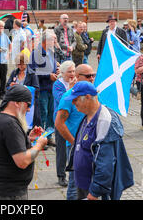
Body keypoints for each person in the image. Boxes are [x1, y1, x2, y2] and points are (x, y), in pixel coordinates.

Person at [64, 81, 134, 200]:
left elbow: (106, 162)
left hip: (94, 189)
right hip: (83, 183)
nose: (72, 103)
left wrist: (95, 191)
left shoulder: (105, 120)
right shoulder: (87, 115)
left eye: (75, 99)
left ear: (87, 98)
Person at [0, 85, 47, 200]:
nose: (29, 109)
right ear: (17, 103)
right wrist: (39, 145)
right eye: (28, 105)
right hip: (9, 192)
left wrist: (29, 139)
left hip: (1, 187)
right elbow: (22, 161)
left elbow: (8, 147)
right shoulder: (10, 125)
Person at [54, 64, 96, 200]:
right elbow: (59, 123)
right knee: (74, 185)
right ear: (77, 77)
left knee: (89, 183)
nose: (92, 78)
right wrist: (74, 143)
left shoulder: (92, 94)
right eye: (88, 76)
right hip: (75, 147)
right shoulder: (69, 96)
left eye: (93, 75)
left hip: (90, 145)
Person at [29, 30, 58, 146]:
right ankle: (40, 138)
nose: (55, 41)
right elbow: (32, 71)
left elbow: (52, 67)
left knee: (52, 113)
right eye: (53, 39)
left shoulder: (51, 53)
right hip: (42, 88)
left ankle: (49, 136)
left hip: (52, 88)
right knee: (42, 114)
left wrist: (56, 71)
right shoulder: (36, 53)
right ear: (46, 41)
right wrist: (48, 75)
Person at [52, 60, 76, 188]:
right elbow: (62, 99)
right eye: (69, 72)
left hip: (74, 120)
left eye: (73, 71)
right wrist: (71, 89)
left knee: (74, 146)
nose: (72, 74)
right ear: (62, 73)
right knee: (61, 149)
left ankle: (75, 172)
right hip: (61, 121)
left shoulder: (77, 82)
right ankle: (61, 175)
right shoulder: (57, 84)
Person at [6, 53, 40, 128]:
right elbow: (7, 86)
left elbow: (36, 89)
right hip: (16, 104)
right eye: (18, 64)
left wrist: (23, 87)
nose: (20, 66)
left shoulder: (32, 74)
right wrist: (10, 86)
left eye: (22, 64)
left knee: (27, 126)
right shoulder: (14, 73)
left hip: (27, 105)